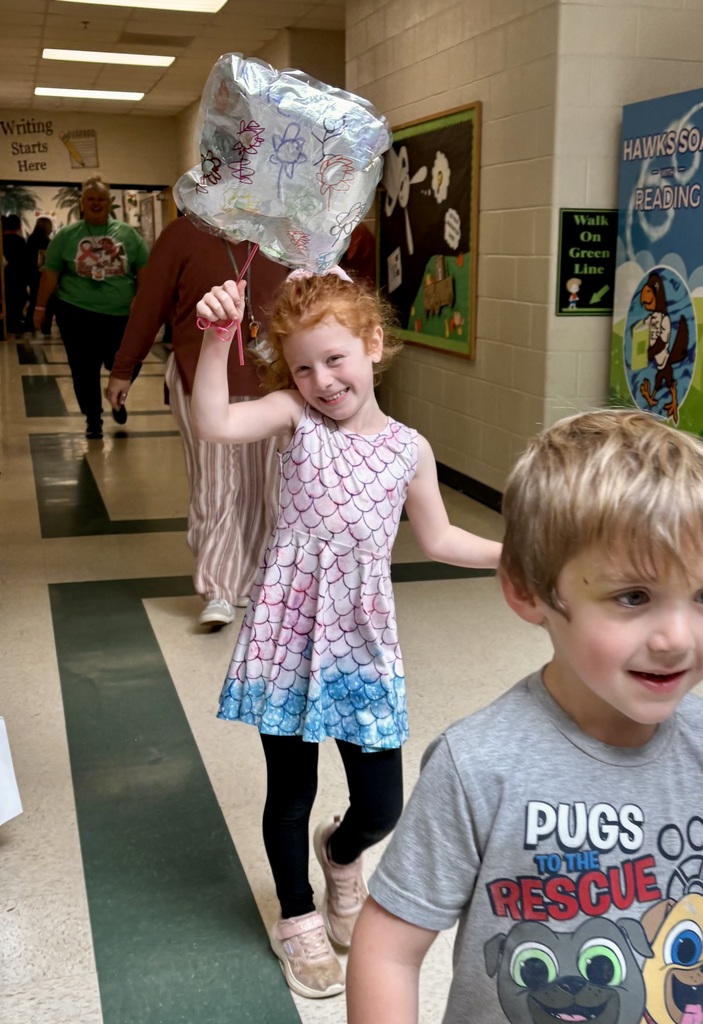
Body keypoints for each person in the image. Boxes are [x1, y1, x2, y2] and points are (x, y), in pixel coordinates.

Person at [191, 269, 502, 1000]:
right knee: (290, 790)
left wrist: (514, 555)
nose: (322, 381)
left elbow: (439, 537)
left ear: (374, 345)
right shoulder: (293, 419)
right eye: (303, 368)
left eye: (335, 359)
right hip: (288, 632)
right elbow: (214, 423)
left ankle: (340, 852)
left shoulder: (408, 449)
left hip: (362, 643)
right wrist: (214, 339)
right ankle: (296, 917)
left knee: (381, 805)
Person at [346, 409, 703, 1024]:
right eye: (633, 596)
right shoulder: (478, 766)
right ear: (527, 590)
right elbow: (388, 951)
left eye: (701, 596)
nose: (677, 638)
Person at [106, 216, 288, 629]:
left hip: (274, 381)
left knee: (268, 486)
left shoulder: (283, 230)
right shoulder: (184, 234)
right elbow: (149, 304)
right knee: (216, 482)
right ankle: (220, 586)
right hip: (201, 378)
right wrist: (123, 369)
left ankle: (260, 580)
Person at [33, 176, 149, 439]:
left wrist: (141, 299)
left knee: (130, 361)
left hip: (120, 315)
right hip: (76, 312)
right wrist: (40, 308)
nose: (96, 203)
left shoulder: (127, 234)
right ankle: (93, 419)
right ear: (82, 204)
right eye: (90, 199)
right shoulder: (66, 236)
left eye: (101, 199)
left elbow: (145, 268)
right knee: (83, 369)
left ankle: (116, 396)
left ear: (109, 203)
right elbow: (50, 273)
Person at [24, 216, 53, 336]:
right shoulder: (47, 242)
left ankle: (29, 323)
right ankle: (46, 326)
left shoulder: (30, 240)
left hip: (32, 273)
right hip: (43, 273)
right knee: (48, 300)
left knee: (34, 298)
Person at [2, 214, 30, 335]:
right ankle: (15, 322)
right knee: (17, 300)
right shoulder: (20, 242)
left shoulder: (1, 241)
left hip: (5, 277)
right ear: (18, 226)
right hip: (18, 278)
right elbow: (26, 261)